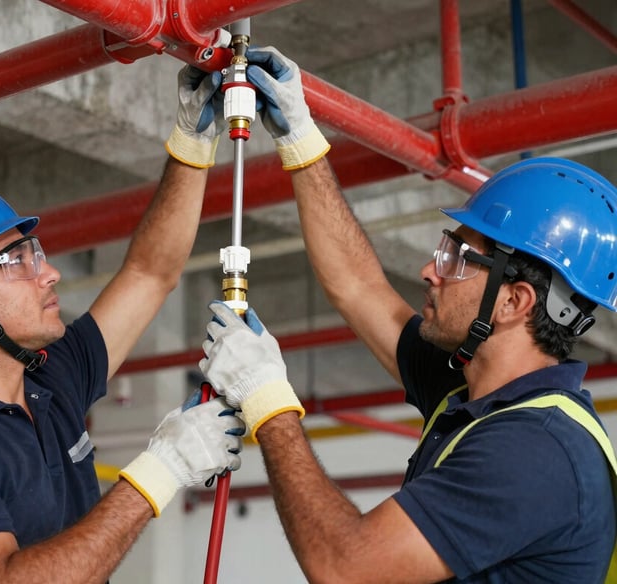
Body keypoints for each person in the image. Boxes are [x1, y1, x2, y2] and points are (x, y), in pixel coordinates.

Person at [199, 46, 617, 582]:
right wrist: (301, 139)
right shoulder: (470, 387)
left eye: (457, 260)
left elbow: (345, 568)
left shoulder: (536, 449)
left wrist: (268, 401)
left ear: (514, 302)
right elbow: (358, 287)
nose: (428, 270)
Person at [0, 64, 245, 584]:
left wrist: (192, 143)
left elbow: (150, 273)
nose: (50, 273)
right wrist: (164, 467)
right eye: (16, 261)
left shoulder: (49, 382)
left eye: (33, 252)